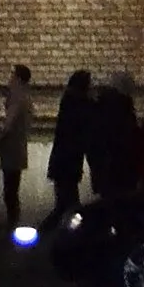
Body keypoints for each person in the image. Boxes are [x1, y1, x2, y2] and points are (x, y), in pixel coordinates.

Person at [48, 68, 95, 221]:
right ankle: (45, 237)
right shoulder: (77, 103)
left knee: (64, 206)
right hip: (68, 163)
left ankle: (44, 237)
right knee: (69, 207)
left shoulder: (69, 101)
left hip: (63, 163)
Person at [0, 64, 35, 229]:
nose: (9, 78)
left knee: (10, 190)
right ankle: (13, 221)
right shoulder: (26, 97)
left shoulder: (17, 97)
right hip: (19, 147)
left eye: (12, 75)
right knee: (12, 187)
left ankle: (13, 224)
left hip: (12, 148)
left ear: (18, 78)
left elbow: (9, 123)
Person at [90, 70, 141, 200]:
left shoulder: (104, 105)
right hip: (118, 168)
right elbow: (125, 138)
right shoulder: (120, 108)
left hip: (108, 168)